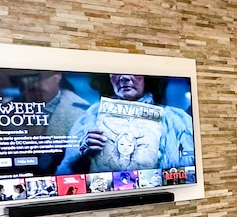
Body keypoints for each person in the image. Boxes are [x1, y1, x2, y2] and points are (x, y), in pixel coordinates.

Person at [56, 74, 194, 174]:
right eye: (116, 72)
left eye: (135, 72)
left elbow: (189, 171)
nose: (124, 77)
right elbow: (66, 175)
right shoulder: (89, 119)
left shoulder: (178, 121)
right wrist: (83, 156)